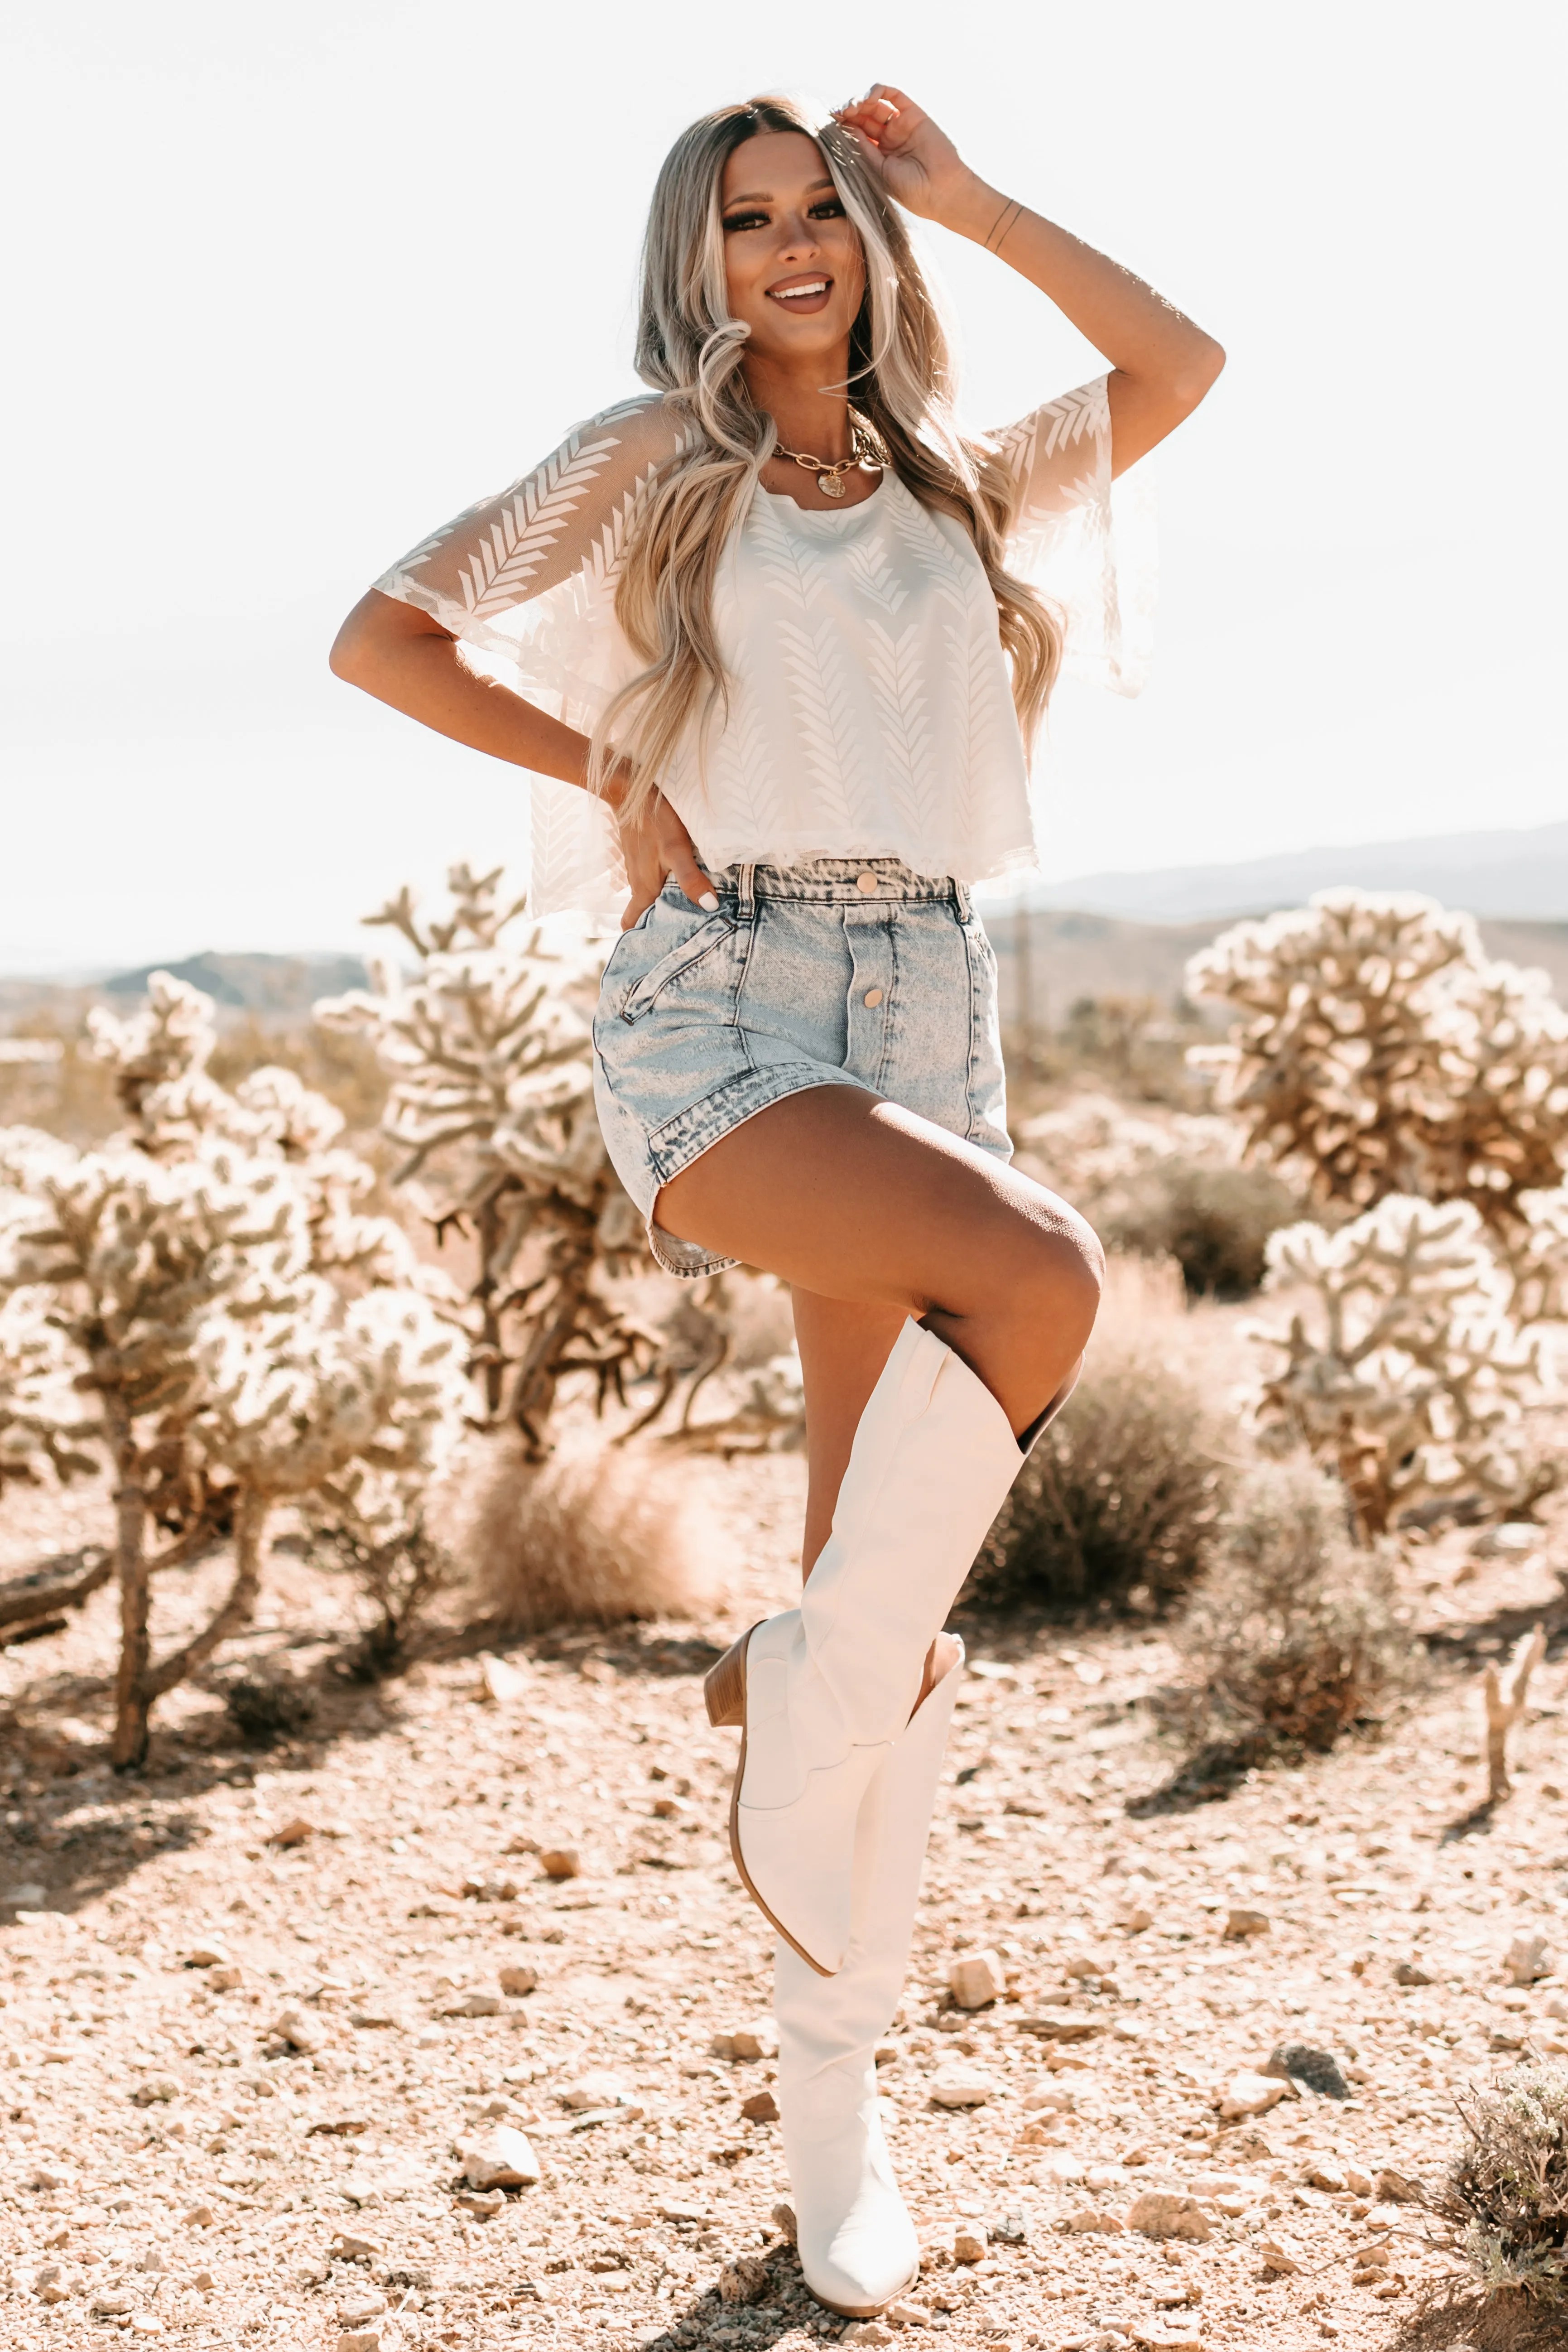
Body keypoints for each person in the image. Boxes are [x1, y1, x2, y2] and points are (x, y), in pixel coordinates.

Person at [331, 84, 1222, 2318]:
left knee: (892, 1624)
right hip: (724, 1005)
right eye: (749, 219)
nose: (794, 246)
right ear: (697, 255)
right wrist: (612, 767)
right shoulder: (648, 461)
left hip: (931, 991)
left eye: (823, 210)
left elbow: (1178, 366)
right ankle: (799, 1676)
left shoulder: (949, 480)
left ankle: (837, 2109)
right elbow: (387, 631)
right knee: (1040, 1275)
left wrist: (979, 201)